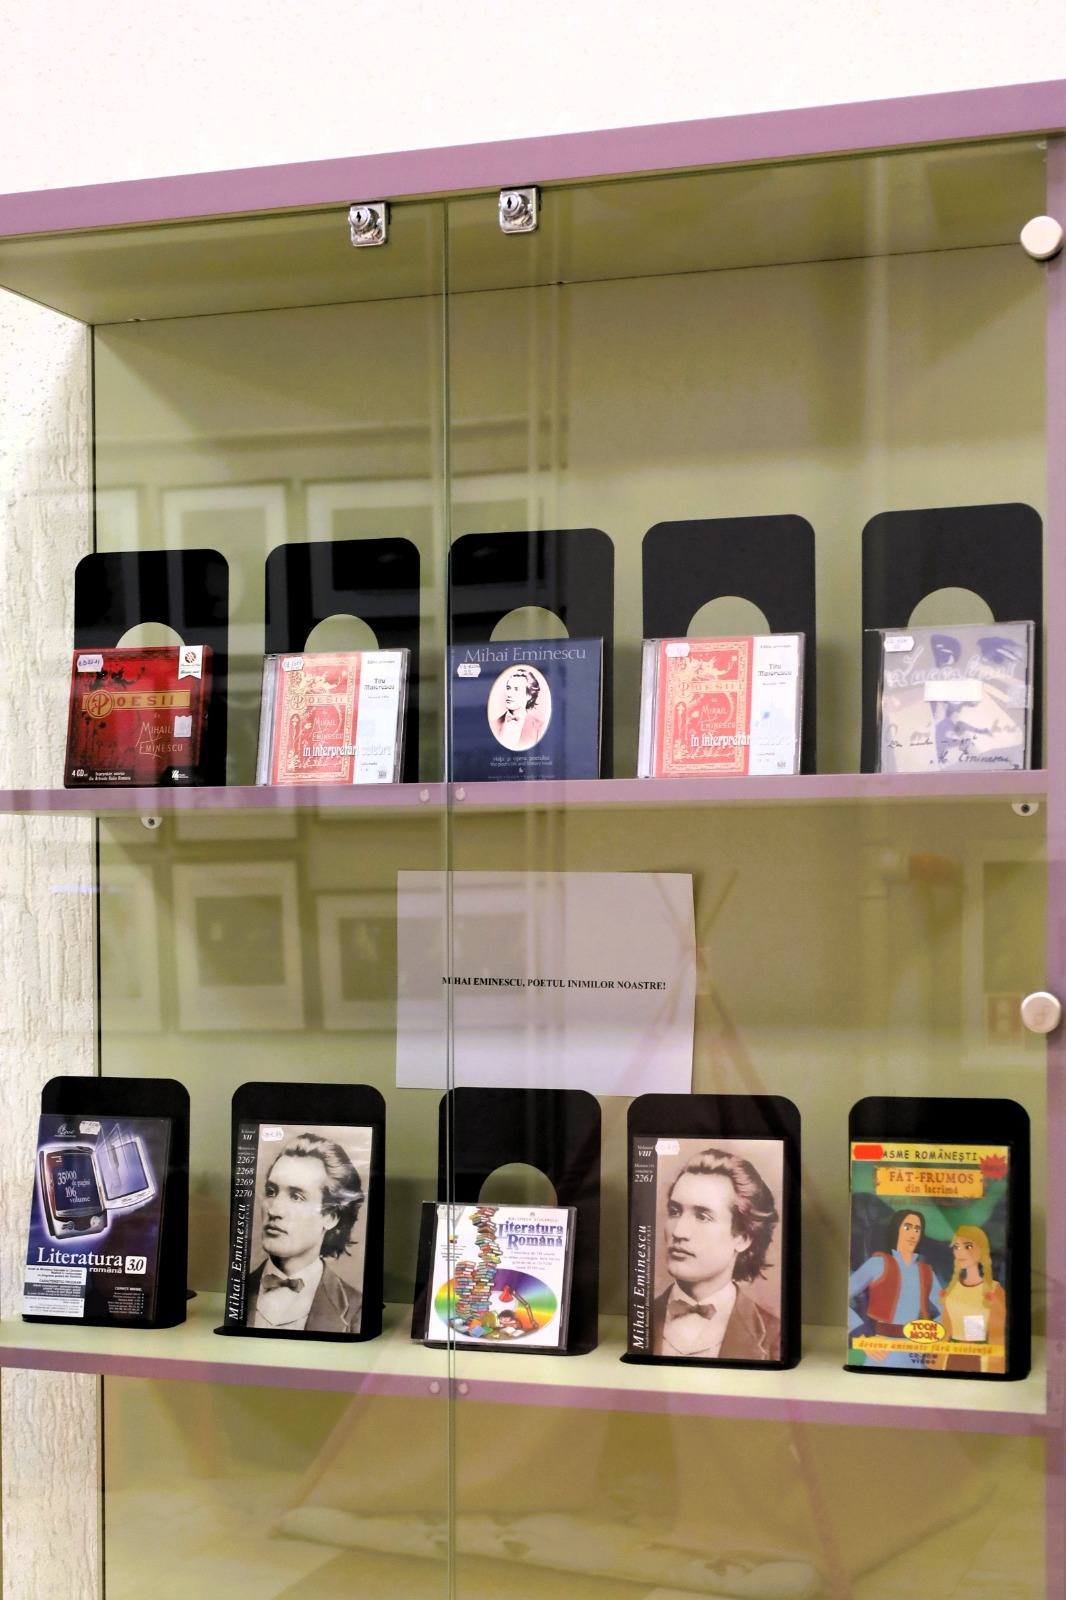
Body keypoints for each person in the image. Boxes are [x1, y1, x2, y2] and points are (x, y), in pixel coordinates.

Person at [652, 1147, 780, 1361]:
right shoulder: (640, 1317)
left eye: (702, 1216)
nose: (678, 1232)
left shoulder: (775, 1337)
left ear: (743, 1238)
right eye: (675, 1212)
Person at [245, 1131, 364, 1333]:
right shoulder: (238, 1291)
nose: (274, 1210)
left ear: (331, 1216)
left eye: (296, 1197)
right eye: (271, 1192)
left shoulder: (356, 1309)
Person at [848, 1209, 945, 1368]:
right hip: (883, 1348)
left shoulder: (927, 1272)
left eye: (917, 1229)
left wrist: (930, 1334)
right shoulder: (878, 1264)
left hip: (915, 1351)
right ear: (896, 1229)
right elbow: (842, 1299)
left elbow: (947, 1310)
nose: (913, 1233)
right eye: (907, 1227)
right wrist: (862, 1337)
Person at [937, 1225, 1006, 1374]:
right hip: (950, 1357)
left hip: (982, 1359)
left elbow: (998, 1334)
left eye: (968, 1246)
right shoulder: (951, 1290)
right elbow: (945, 1330)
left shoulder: (995, 1290)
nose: (960, 1252)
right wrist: (936, 1362)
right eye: (956, 1247)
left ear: (982, 1249)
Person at [491, 666, 548, 750]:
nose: (509, 694)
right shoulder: (494, 724)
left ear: (529, 695)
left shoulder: (539, 727)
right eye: (508, 688)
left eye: (516, 689)